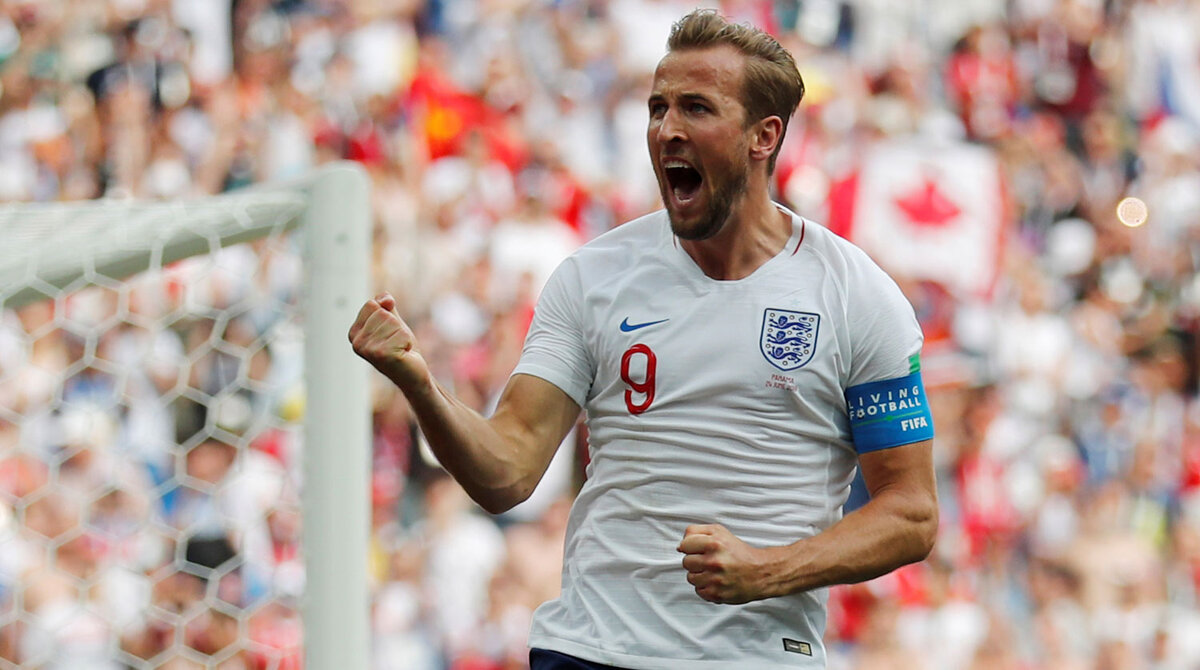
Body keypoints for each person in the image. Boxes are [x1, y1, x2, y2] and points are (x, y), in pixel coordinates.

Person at [349, 9, 938, 669]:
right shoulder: (593, 277)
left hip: (756, 657)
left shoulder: (858, 296)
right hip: (591, 651)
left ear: (763, 135)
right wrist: (419, 383)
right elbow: (508, 471)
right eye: (658, 107)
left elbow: (911, 515)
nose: (667, 129)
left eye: (696, 108)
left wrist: (768, 570)